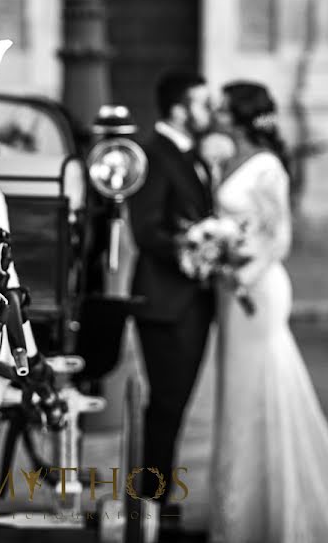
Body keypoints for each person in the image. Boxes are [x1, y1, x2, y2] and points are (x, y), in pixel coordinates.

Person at [206, 81, 328, 542]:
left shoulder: (269, 166)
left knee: (261, 390)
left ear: (238, 116)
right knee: (235, 395)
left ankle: (275, 511)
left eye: (222, 107)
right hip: (231, 292)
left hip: (258, 290)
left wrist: (241, 271)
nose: (215, 112)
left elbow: (279, 238)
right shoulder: (224, 156)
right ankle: (239, 513)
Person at [128, 70, 215, 502]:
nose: (211, 112)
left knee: (173, 409)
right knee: (165, 408)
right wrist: (191, 248)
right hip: (165, 304)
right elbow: (146, 230)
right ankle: (150, 504)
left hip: (192, 304)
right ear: (180, 109)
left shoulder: (189, 154)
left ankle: (154, 505)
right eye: (204, 103)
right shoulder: (153, 154)